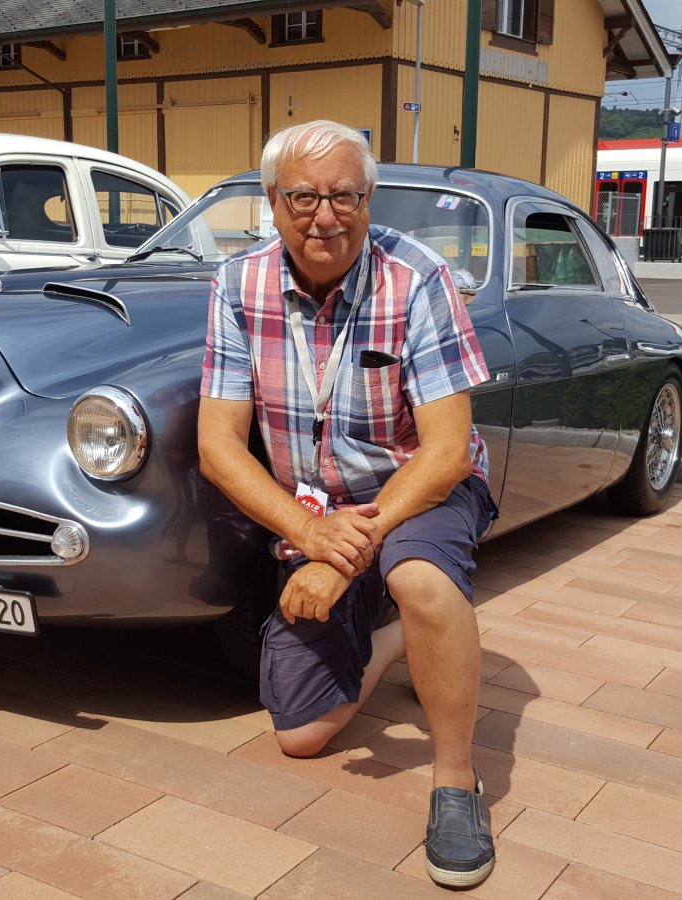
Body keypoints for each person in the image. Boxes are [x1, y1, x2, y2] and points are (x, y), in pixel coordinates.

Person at [197, 120, 499, 889]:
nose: (325, 217)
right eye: (304, 197)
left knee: (420, 579)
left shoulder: (418, 278)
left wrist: (343, 555)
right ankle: (395, 640)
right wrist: (310, 533)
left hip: (418, 487)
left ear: (369, 199)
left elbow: (446, 451)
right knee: (300, 735)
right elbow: (218, 446)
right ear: (272, 202)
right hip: (317, 510)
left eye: (346, 197)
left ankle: (456, 783)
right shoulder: (237, 284)